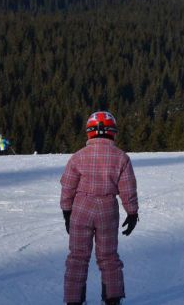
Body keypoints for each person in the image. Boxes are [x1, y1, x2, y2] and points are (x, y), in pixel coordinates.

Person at [60, 111, 138, 305]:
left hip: (81, 208)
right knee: (109, 257)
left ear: (90, 132)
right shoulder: (121, 157)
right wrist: (132, 211)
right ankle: (112, 300)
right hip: (107, 210)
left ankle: (74, 301)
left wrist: (66, 210)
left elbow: (68, 185)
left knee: (77, 257)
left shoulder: (78, 157)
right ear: (112, 132)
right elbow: (127, 187)